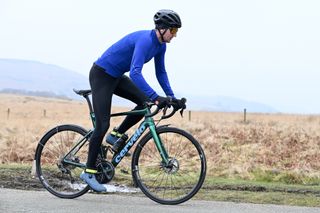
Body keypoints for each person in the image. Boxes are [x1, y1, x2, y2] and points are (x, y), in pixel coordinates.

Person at [80, 9, 183, 192]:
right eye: (173, 31)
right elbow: (135, 72)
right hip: (102, 75)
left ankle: (117, 134)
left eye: (176, 32)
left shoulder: (161, 46)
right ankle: (88, 172)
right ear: (162, 29)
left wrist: (172, 98)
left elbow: (161, 73)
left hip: (117, 76)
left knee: (145, 103)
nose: (175, 36)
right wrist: (156, 97)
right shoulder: (145, 41)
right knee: (102, 126)